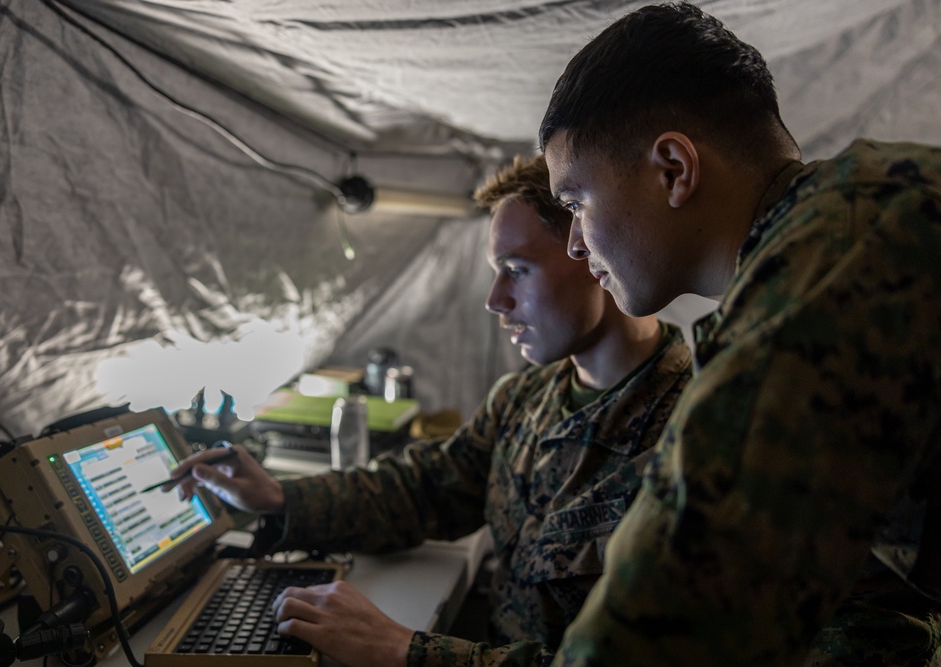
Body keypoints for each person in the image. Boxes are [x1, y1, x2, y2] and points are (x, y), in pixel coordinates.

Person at [171, 153, 693, 667]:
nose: (494, 299)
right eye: (496, 272)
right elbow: (424, 489)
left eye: (517, 269)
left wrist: (407, 651)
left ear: (592, 252)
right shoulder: (522, 400)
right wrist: (280, 497)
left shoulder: (694, 435)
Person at [538, 3, 941, 666]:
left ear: (673, 168)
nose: (576, 243)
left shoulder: (839, 250)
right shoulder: (832, 233)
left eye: (577, 201)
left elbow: (678, 609)